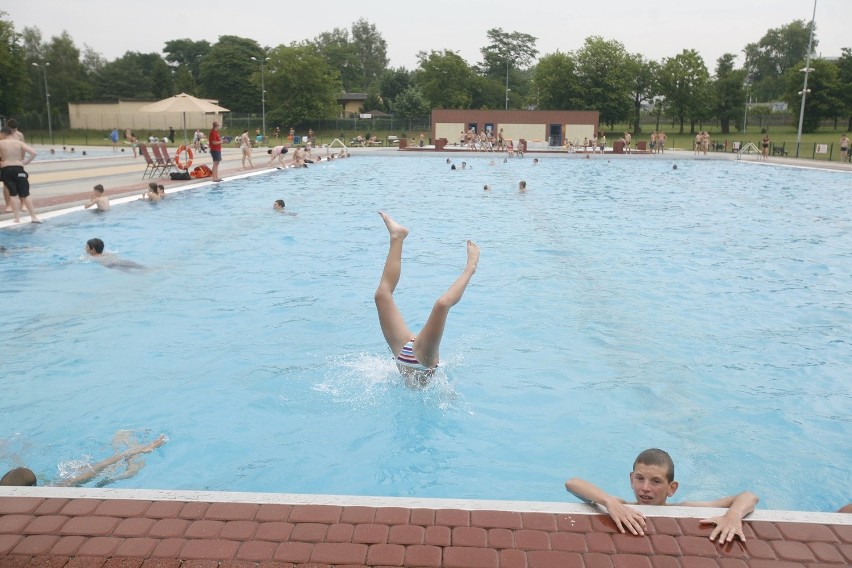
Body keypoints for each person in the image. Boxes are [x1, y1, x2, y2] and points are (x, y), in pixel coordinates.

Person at [374, 212, 479, 388]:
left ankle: (397, 238)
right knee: (441, 305)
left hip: (408, 355)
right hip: (421, 358)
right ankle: (398, 236)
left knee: (382, 295)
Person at [565, 448, 759, 543]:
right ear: (631, 479)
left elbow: (749, 496)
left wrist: (733, 515)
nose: (645, 488)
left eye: (656, 482)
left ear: (671, 488)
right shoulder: (621, 506)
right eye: (639, 479)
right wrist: (608, 501)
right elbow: (572, 484)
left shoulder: (684, 509)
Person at [1, 433, 167, 488]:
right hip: (68, 487)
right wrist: (146, 447)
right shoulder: (59, 487)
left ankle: (131, 453)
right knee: (128, 473)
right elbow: (103, 464)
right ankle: (131, 455)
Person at [0, 127, 41, 223]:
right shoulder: (19, 143)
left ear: (3, 134)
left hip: (7, 169)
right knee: (25, 194)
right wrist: (26, 162)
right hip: (19, 169)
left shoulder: (1, 143)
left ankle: (17, 218)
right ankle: (33, 217)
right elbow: (34, 153)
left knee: (13, 194)